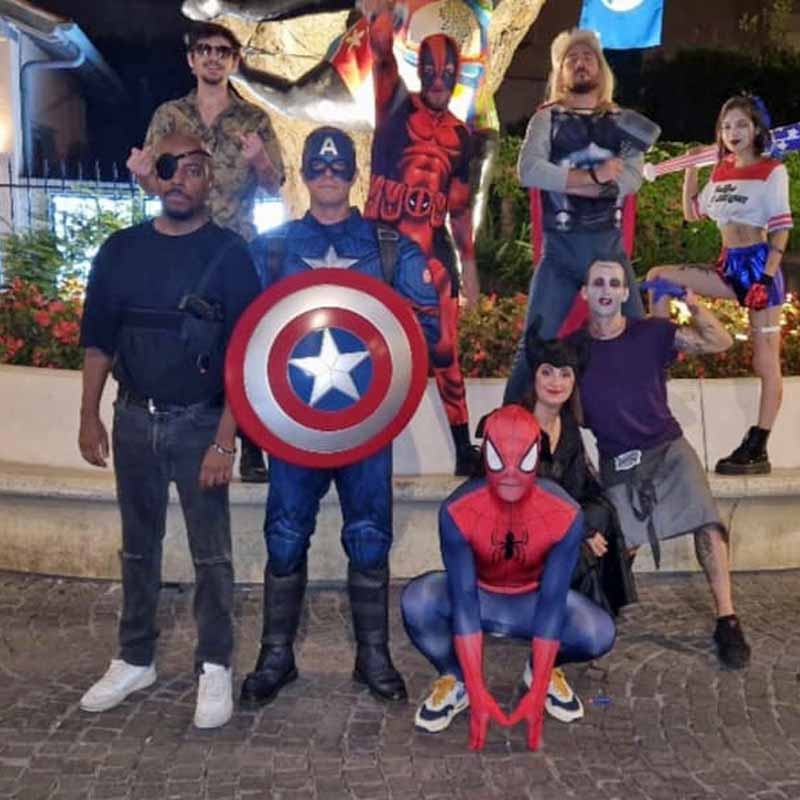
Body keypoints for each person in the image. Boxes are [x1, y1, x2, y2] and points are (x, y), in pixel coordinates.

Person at [239, 126, 440, 708]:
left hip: (365, 424)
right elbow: (246, 337)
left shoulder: (389, 248)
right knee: (283, 539)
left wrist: (389, 370)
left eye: (338, 166)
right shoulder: (273, 249)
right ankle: (276, 655)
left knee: (370, 539)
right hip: (293, 425)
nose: (328, 175)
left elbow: (425, 335)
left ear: (355, 173)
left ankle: (372, 654)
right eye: (318, 166)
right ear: (304, 172)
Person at [77, 132, 262, 728]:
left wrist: (225, 440)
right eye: (169, 167)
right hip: (133, 420)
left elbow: (246, 353)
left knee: (212, 556)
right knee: (137, 547)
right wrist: (88, 415)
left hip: (200, 423)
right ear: (154, 175)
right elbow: (99, 340)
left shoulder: (230, 255)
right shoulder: (120, 250)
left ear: (210, 181)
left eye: (193, 169)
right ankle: (135, 658)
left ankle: (215, 664)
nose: (180, 178)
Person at [571, 259, 752, 670]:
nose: (605, 289)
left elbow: (720, 340)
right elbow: (571, 414)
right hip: (618, 460)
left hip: (668, 449)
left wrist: (693, 304)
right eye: (597, 282)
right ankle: (597, 612)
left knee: (708, 525)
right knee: (617, 544)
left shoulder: (651, 334)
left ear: (624, 293)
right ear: (585, 293)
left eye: (614, 283)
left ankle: (727, 618)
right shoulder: (575, 347)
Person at [401, 404, 616, 750]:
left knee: (596, 632)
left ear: (537, 454)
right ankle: (455, 678)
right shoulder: (458, 510)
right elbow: (464, 599)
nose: (511, 473)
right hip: (480, 594)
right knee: (419, 600)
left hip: (532, 598)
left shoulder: (564, 513)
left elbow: (552, 601)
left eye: (523, 460)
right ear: (486, 453)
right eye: (500, 459)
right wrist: (477, 688)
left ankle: (543, 671)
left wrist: (539, 682)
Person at [127, 21, 285, 483]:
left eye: (222, 51)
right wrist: (141, 174)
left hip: (236, 249)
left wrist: (260, 160)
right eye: (205, 50)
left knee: (242, 344)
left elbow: (274, 185)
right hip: (180, 246)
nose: (213, 57)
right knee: (186, 340)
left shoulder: (254, 120)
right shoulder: (169, 116)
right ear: (192, 60)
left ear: (234, 61)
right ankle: (184, 434)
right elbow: (153, 181)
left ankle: (251, 444)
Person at [362, 0, 481, 476]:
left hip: (430, 249)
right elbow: (381, 53)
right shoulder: (394, 104)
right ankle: (361, 440)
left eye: (446, 72)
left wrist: (469, 265)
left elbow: (460, 206)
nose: (437, 79)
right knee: (371, 343)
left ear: (456, 75)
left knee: (446, 349)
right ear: (420, 70)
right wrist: (380, 15)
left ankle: (463, 447)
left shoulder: (462, 135)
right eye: (429, 70)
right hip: (381, 243)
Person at [504, 28, 653, 404]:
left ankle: (649, 429)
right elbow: (529, 170)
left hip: (610, 252)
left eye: (588, 56)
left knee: (637, 341)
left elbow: (631, 181)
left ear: (601, 68)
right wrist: (594, 177)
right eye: (571, 58)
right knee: (533, 344)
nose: (580, 63)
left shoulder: (625, 122)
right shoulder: (546, 119)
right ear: (560, 72)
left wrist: (576, 183)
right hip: (560, 252)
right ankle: (505, 430)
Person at [647, 95, 792, 475]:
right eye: (727, 126)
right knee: (658, 277)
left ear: (756, 129)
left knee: (764, 361)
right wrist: (691, 168)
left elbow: (781, 227)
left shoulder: (772, 170)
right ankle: (660, 350)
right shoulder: (722, 169)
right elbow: (693, 211)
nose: (733, 132)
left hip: (760, 268)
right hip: (728, 267)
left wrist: (765, 278)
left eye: (741, 124)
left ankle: (758, 444)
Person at [520, 326, 636, 723]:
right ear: (534, 377)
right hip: (518, 542)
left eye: (565, 374)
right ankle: (547, 661)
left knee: (604, 513)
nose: (556, 382)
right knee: (582, 543)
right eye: (547, 372)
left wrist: (591, 527)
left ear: (574, 382)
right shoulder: (515, 425)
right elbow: (520, 499)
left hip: (559, 542)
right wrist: (581, 532)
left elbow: (586, 489)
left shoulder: (568, 429)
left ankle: (550, 654)